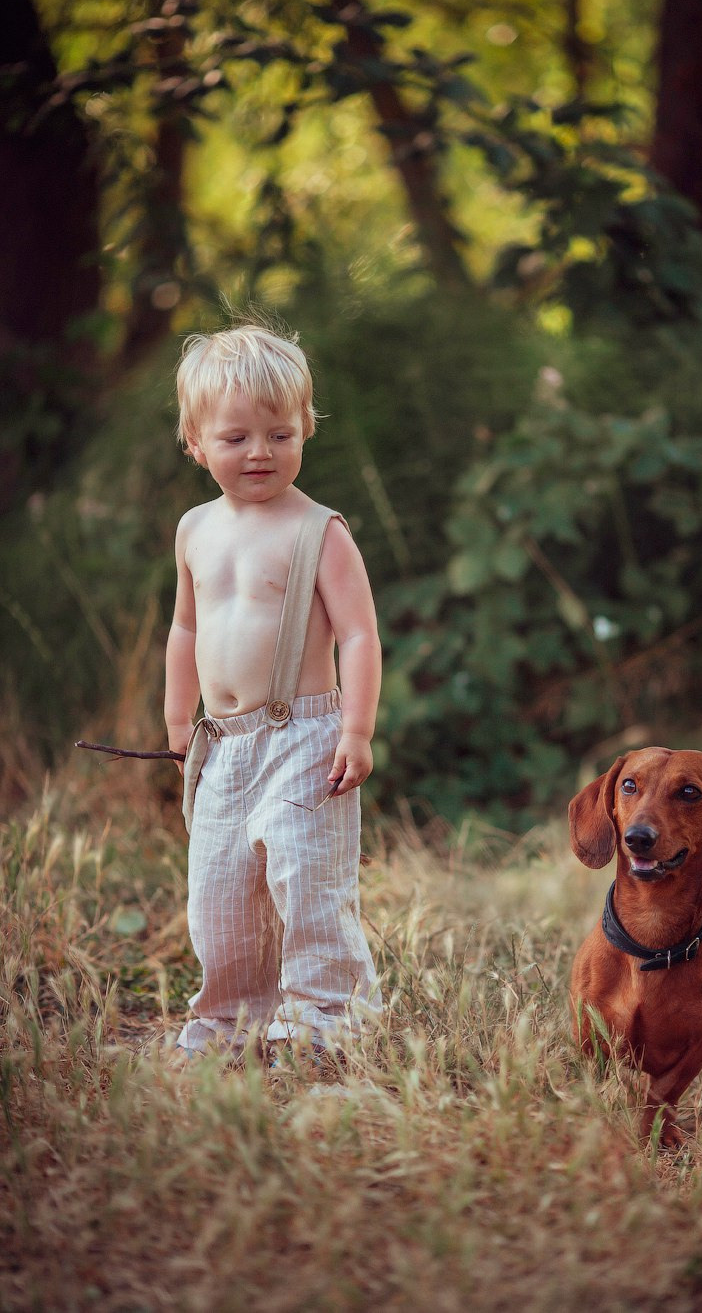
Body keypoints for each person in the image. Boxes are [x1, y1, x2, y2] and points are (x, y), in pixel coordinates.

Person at [165, 321, 382, 1061]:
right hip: (223, 744)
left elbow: (358, 635)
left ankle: (329, 1015)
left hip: (305, 734)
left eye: (279, 435)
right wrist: (176, 717)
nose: (259, 452)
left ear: (305, 432)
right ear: (195, 441)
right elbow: (185, 631)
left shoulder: (318, 532)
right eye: (236, 438)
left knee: (306, 879)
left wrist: (356, 730)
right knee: (220, 891)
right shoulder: (195, 529)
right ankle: (231, 1017)